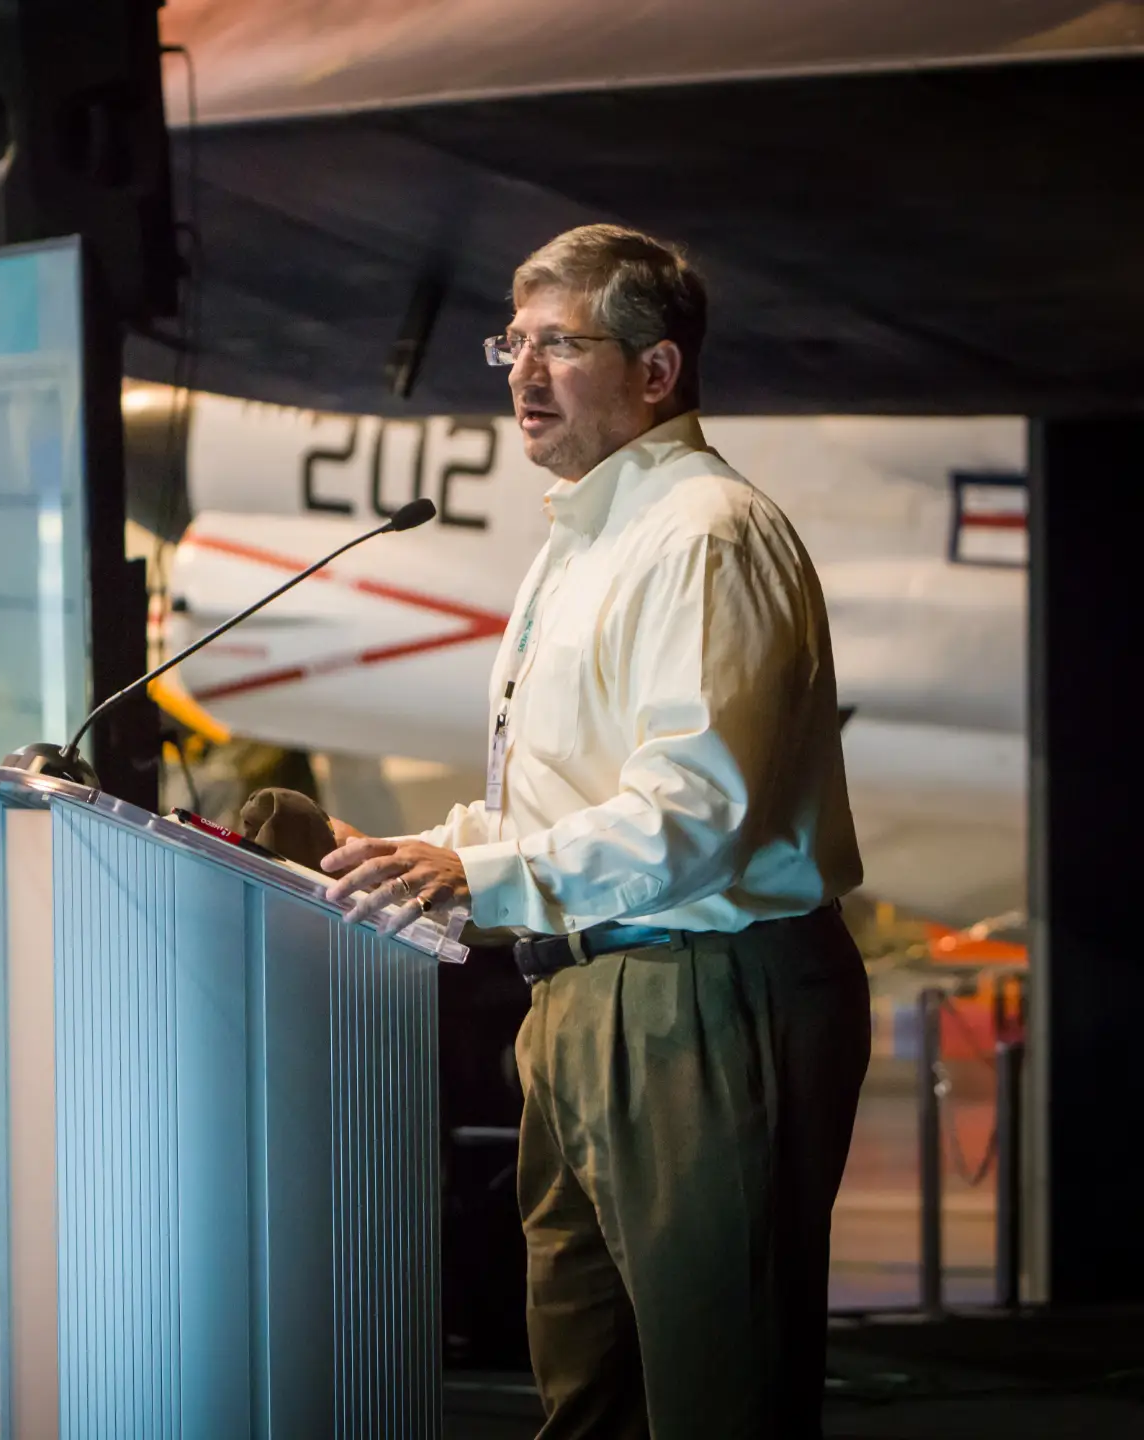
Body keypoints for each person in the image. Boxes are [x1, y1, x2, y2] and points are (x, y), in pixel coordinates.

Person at [322, 224, 870, 1438]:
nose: (521, 372)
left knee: (718, 1397)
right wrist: (429, 853)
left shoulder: (705, 533)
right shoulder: (590, 530)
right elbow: (568, 794)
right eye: (513, 342)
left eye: (559, 345)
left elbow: (698, 813)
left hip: (700, 1005)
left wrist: (483, 869)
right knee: (591, 1400)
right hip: (582, 995)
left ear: (657, 371)